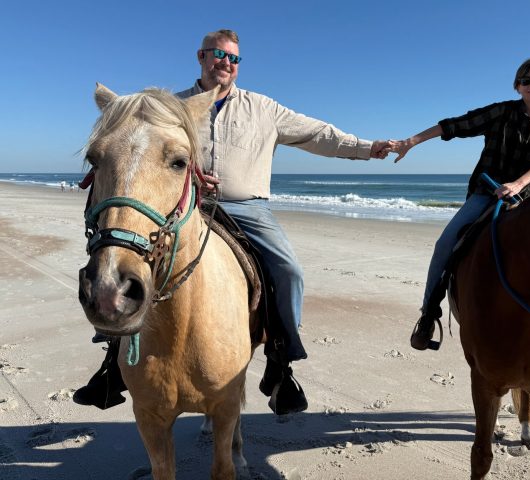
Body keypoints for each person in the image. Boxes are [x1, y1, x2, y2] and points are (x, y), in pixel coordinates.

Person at [73, 28, 393, 415]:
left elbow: (318, 135)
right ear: (201, 57)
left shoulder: (264, 109)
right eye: (217, 54)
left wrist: (365, 148)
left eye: (233, 58)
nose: (225, 62)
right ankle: (112, 359)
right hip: (187, 207)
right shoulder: (171, 109)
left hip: (248, 208)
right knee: (127, 260)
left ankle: (281, 357)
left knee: (289, 270)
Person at [390, 58, 530, 353]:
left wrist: (518, 185)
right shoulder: (501, 112)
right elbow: (455, 126)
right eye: (525, 81)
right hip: (487, 193)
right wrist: (411, 141)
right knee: (445, 244)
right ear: (517, 87)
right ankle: (428, 315)